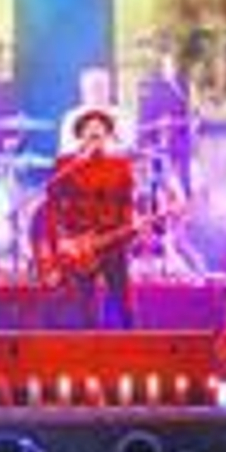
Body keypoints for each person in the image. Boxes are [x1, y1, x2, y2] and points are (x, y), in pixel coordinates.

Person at [39, 109, 136, 329]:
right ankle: (87, 351)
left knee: (122, 298)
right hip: (80, 243)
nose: (94, 130)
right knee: (85, 303)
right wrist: (62, 240)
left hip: (112, 239)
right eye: (89, 129)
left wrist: (130, 228)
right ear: (80, 136)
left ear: (108, 135)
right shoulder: (67, 164)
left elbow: (127, 202)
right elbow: (52, 203)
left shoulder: (120, 165)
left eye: (99, 128)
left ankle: (131, 348)